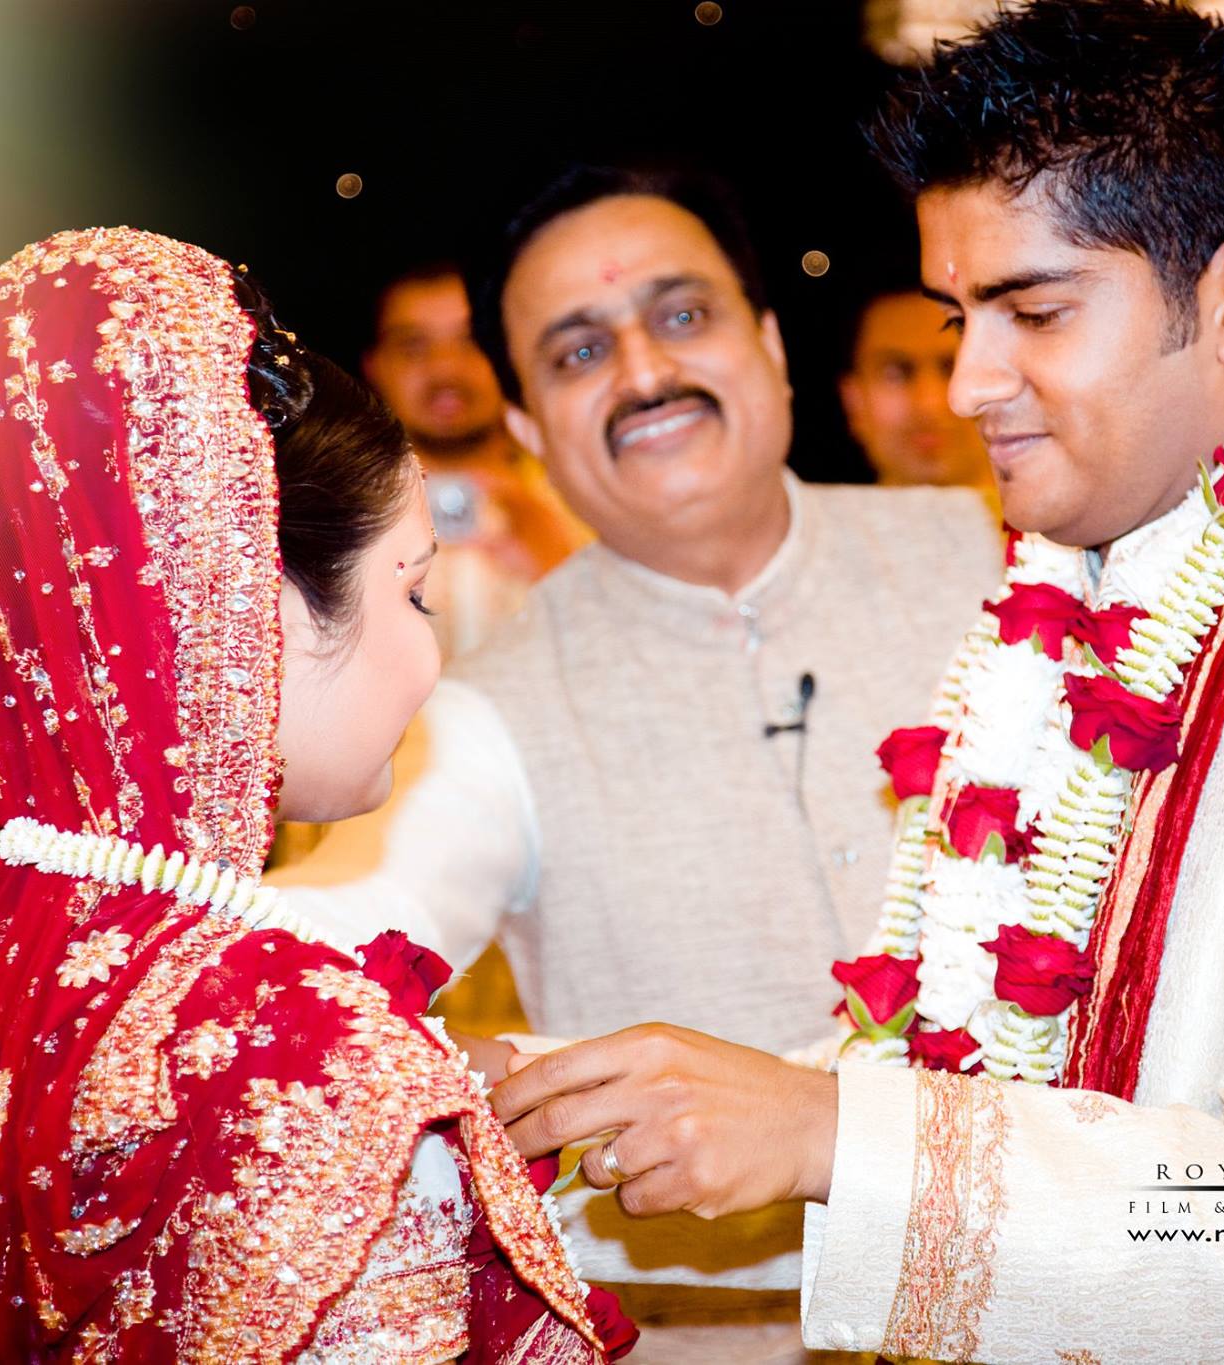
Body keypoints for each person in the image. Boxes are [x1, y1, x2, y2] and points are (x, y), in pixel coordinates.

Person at [488, 4, 1224, 1360]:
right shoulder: (1058, 605)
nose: (969, 383)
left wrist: (831, 1133)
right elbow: (979, 1068)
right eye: (959, 315)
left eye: (1033, 310)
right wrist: (559, 1137)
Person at [0, 228, 629, 1363]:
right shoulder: (317, 1090)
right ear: (261, 610)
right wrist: (388, 1093)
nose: (433, 657)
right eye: (414, 592)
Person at [271, 164, 1003, 1359]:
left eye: (681, 315)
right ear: (522, 425)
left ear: (767, 344)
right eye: (575, 352)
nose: (644, 372)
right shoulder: (485, 707)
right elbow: (319, 959)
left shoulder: (996, 557)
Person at [361, 262, 587, 656]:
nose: (445, 367)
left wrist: (559, 565)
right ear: (375, 366)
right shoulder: (333, 519)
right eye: (413, 345)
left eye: (471, 341)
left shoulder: (588, 501)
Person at [839, 283, 991, 492]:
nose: (928, 404)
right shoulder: (810, 524)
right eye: (894, 374)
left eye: (953, 368)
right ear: (853, 401)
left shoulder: (1048, 522)